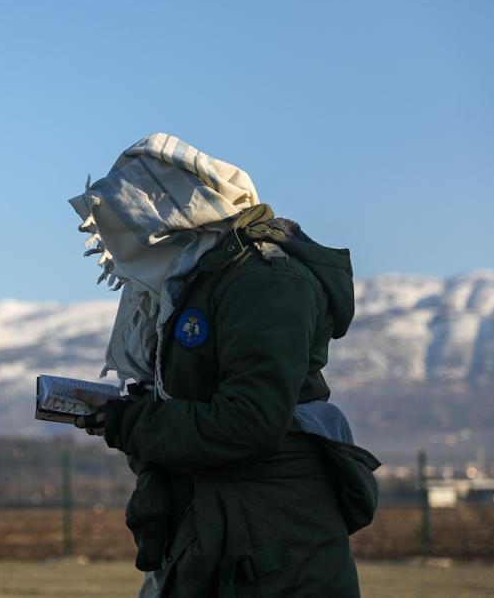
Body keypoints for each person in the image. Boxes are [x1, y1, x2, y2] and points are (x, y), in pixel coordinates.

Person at [69, 133, 379, 597]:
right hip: (225, 535)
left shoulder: (265, 281)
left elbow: (250, 421)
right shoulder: (203, 282)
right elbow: (208, 394)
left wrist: (132, 421)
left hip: (274, 552)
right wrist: (128, 409)